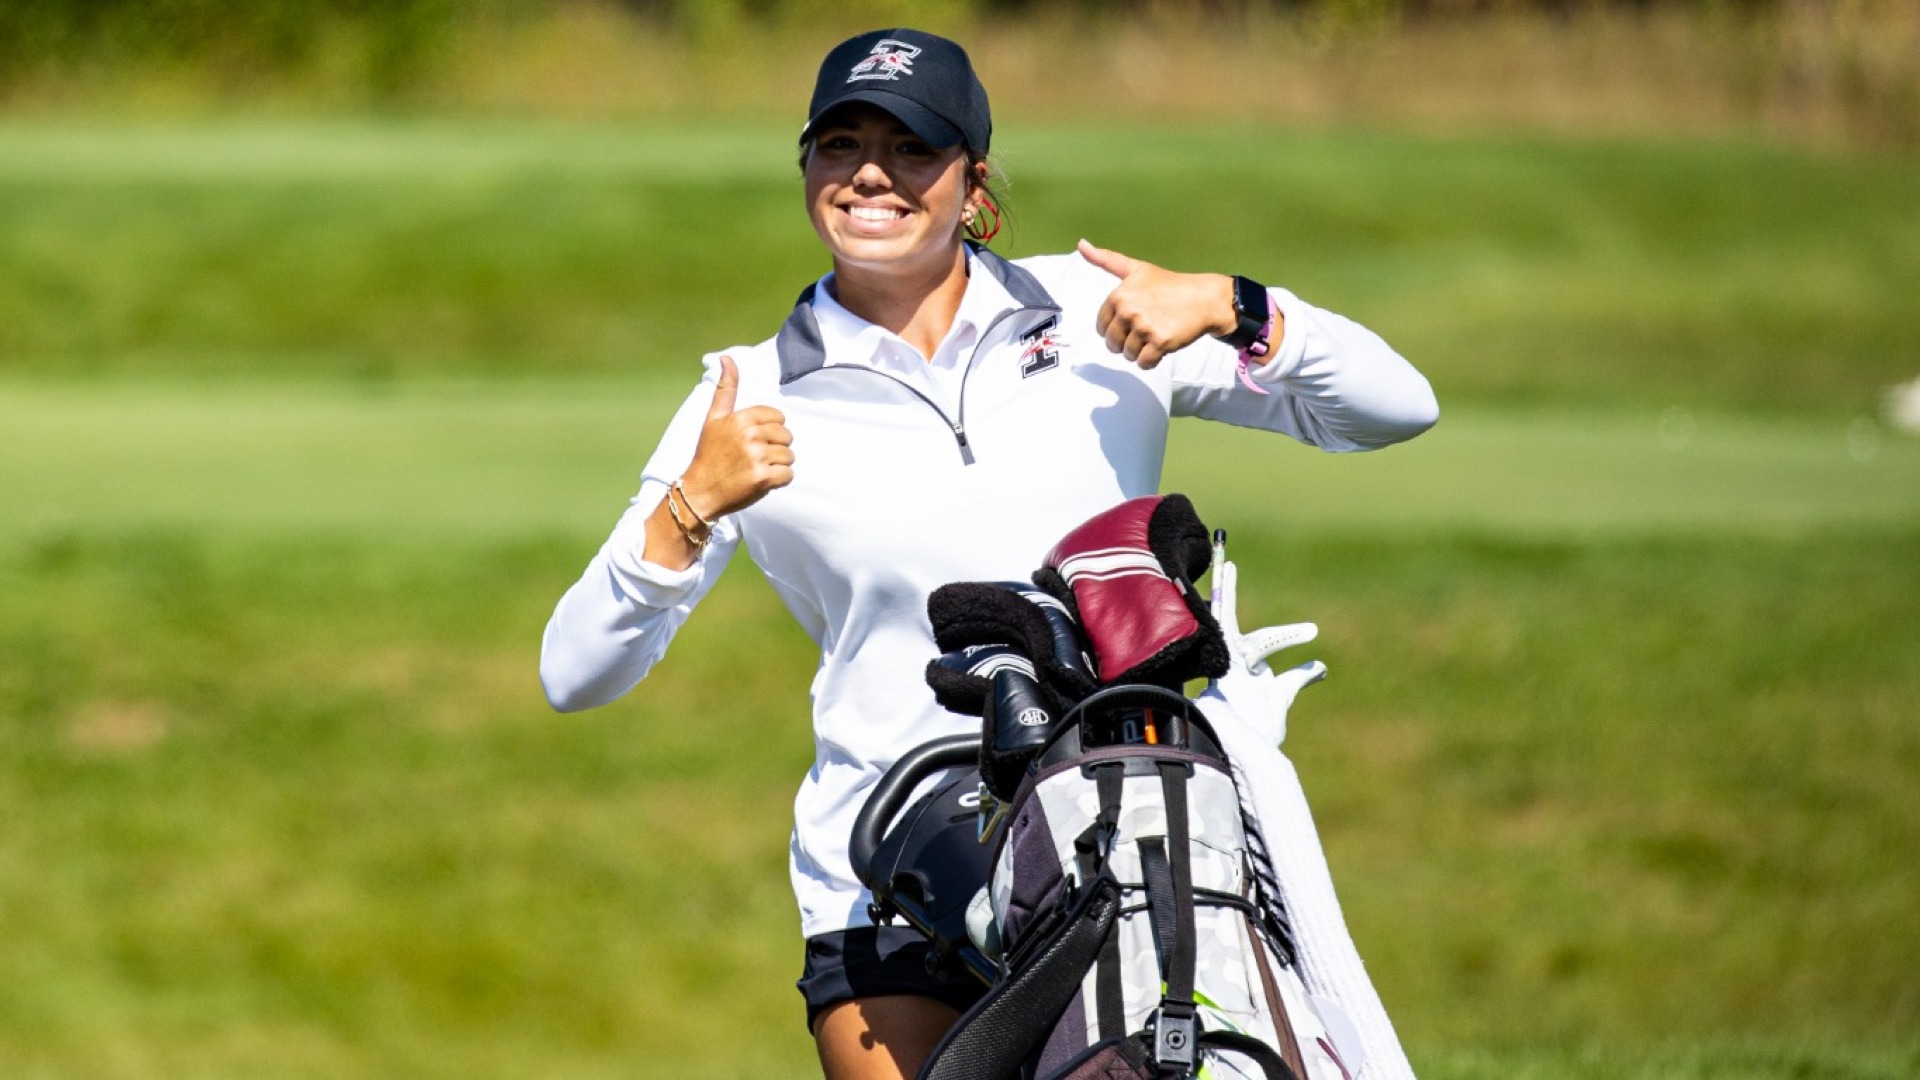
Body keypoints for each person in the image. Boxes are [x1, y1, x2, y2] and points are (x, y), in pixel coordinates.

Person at [540, 27, 1438, 1080]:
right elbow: (574, 673)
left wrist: (1238, 307)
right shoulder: (747, 392)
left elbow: (1395, 408)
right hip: (894, 867)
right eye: (841, 144)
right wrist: (689, 506)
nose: (871, 173)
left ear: (973, 185)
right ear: (807, 167)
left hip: (1128, 836)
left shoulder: (1098, 316)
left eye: (912, 148)